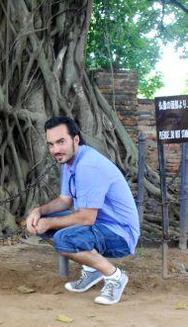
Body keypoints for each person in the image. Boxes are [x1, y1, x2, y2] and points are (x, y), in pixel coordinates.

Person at [26, 116, 140, 305]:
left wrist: (50, 223)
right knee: (44, 220)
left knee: (64, 238)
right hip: (99, 226)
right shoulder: (71, 162)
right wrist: (39, 212)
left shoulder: (88, 165)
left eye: (61, 142)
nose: (56, 150)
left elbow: (86, 218)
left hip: (119, 234)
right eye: (51, 144)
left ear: (76, 139)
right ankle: (93, 269)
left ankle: (115, 277)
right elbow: (64, 201)